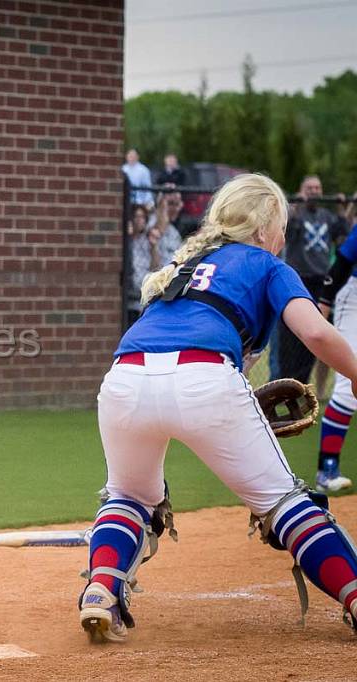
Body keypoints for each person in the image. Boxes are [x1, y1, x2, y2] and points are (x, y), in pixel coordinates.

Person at [80, 174, 357, 644]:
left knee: (128, 497)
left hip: (124, 380)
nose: (284, 238)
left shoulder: (183, 262)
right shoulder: (268, 265)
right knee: (286, 502)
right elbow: (316, 334)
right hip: (204, 377)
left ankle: (101, 590)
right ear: (266, 228)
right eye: (283, 227)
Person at [276, 175, 349, 382]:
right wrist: (296, 205)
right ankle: (286, 382)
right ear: (301, 190)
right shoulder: (297, 215)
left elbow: (343, 238)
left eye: (317, 188)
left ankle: (303, 384)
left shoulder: (327, 216)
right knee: (290, 337)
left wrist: (343, 209)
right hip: (298, 279)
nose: (314, 191)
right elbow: (287, 232)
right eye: (309, 188)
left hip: (320, 282)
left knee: (313, 337)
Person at [309, 203, 357, 493]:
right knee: (347, 387)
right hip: (354, 301)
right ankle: (327, 469)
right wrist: (323, 306)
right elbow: (340, 264)